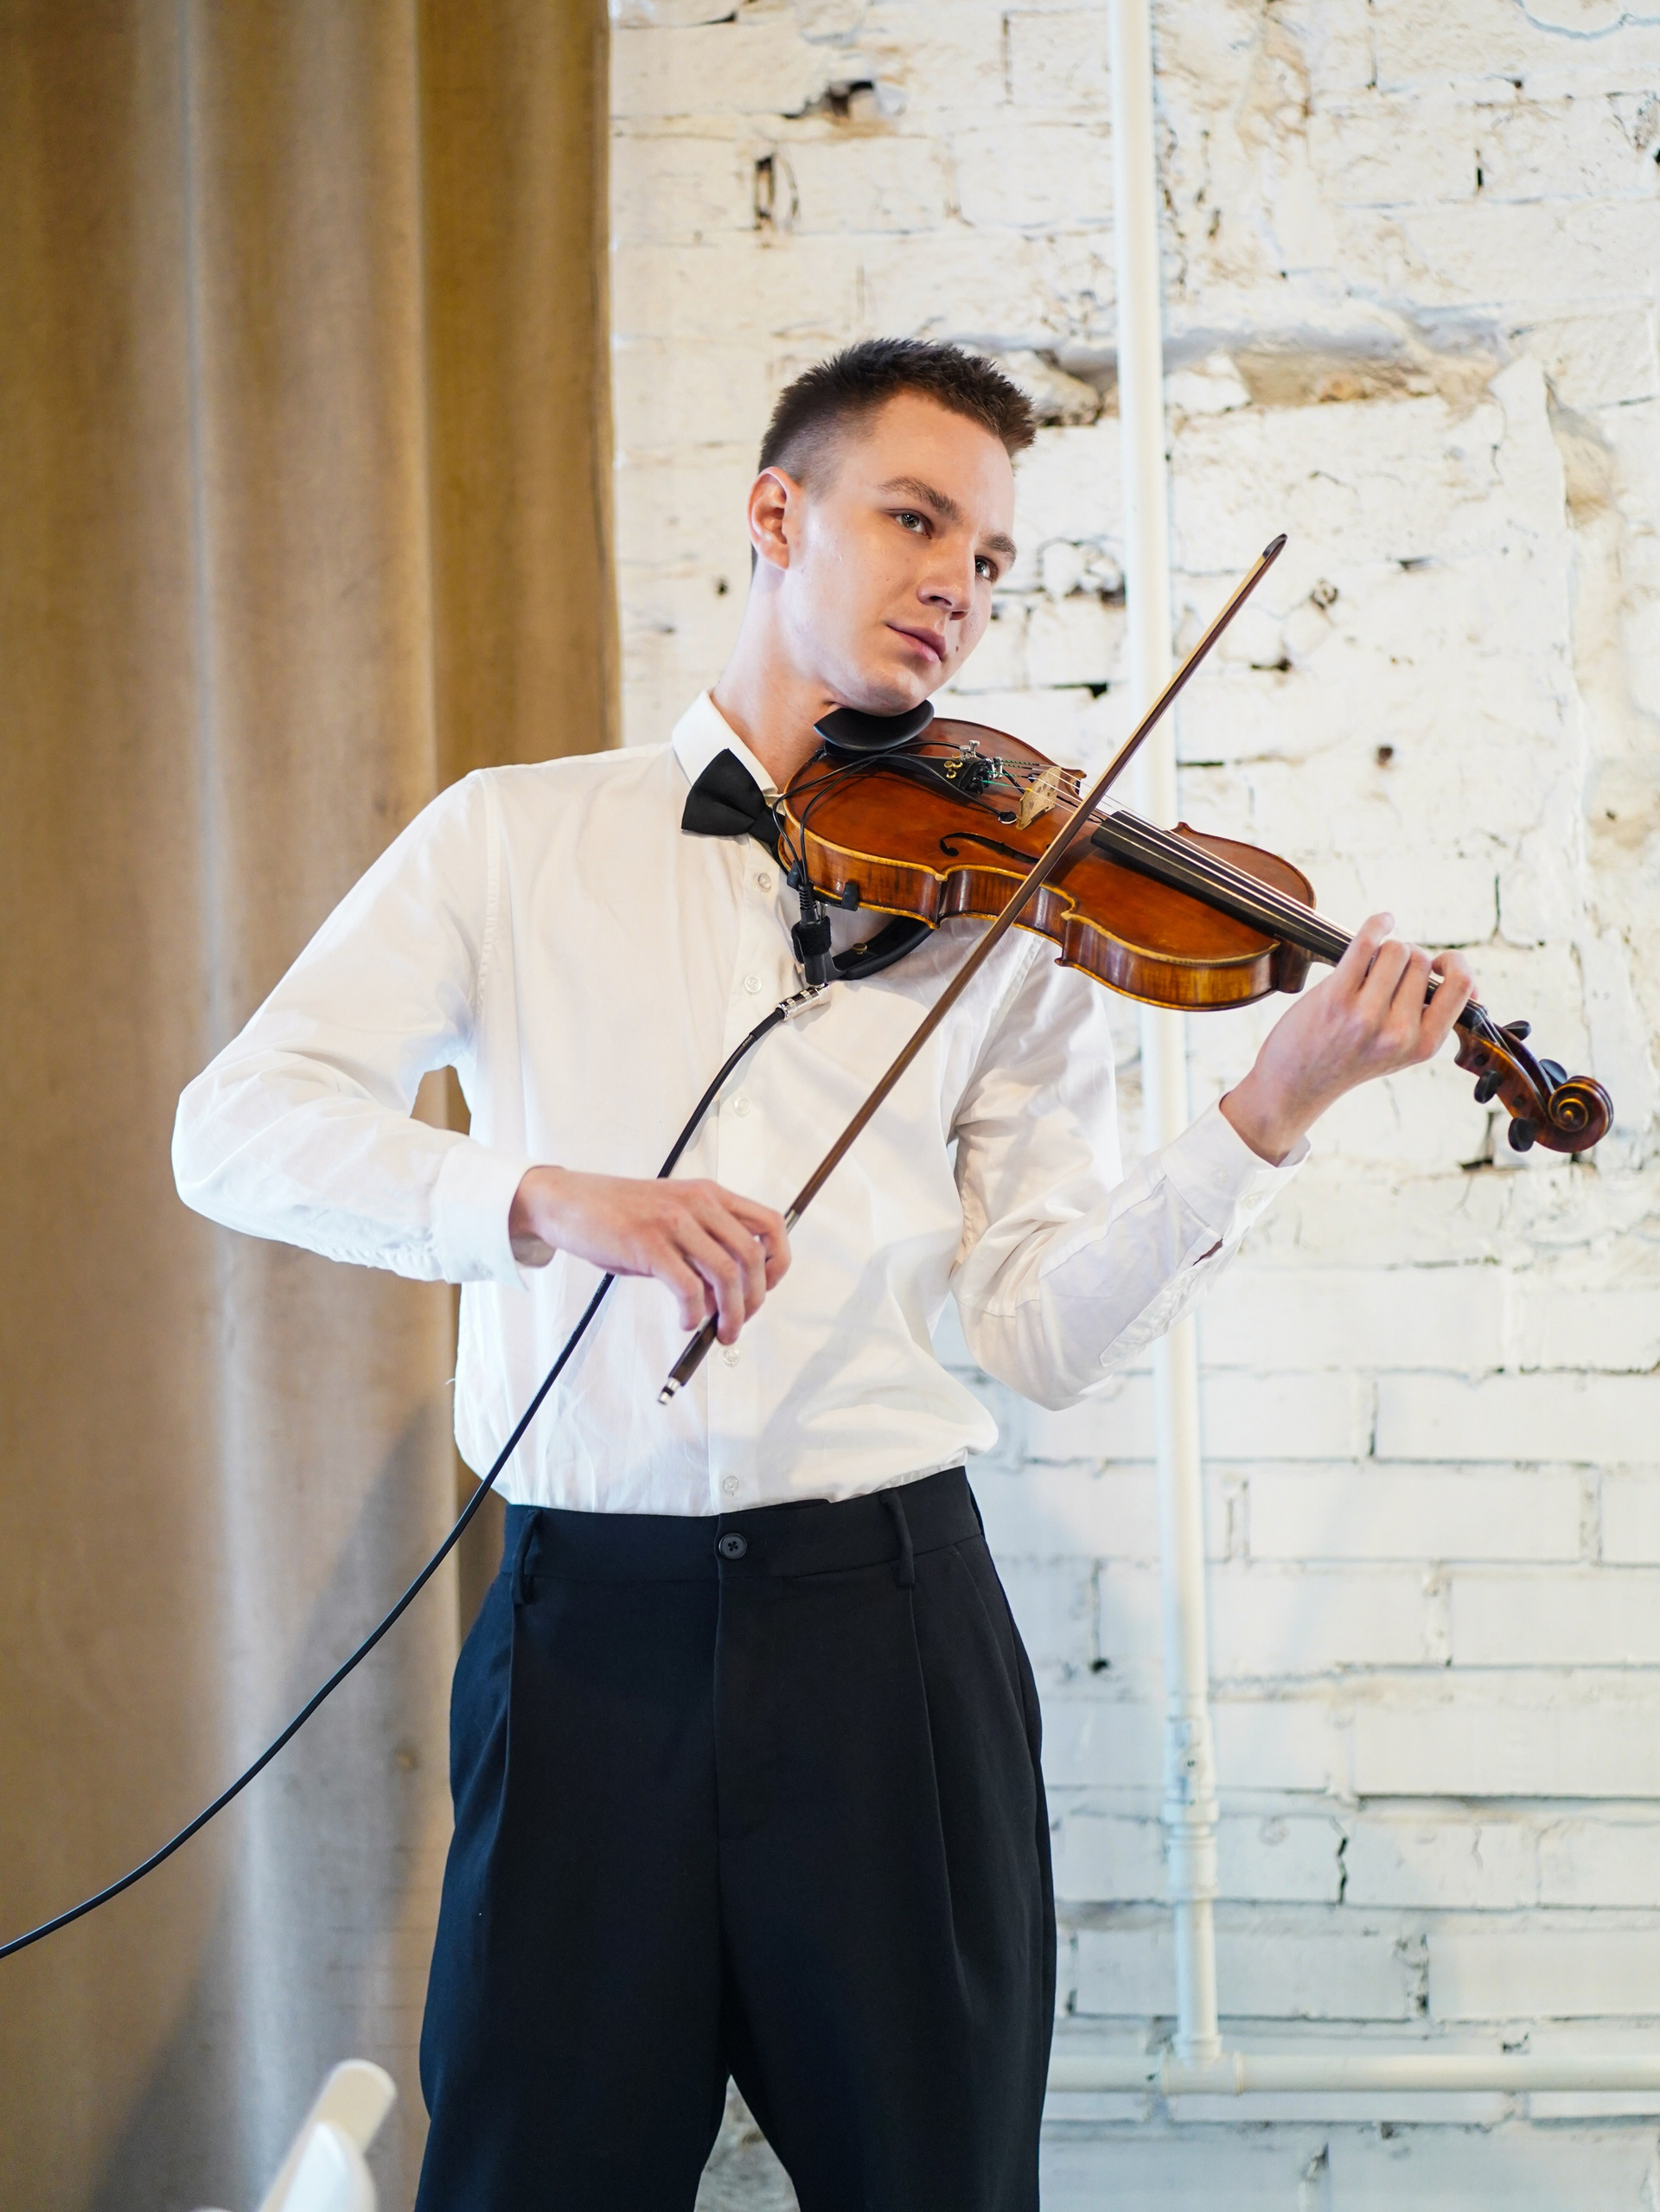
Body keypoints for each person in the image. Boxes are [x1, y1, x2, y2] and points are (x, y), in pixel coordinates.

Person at [173, 338, 1475, 2212]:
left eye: (992, 556)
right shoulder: (510, 837)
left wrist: (1271, 1108)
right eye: (917, 519)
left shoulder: (1016, 914)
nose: (960, 583)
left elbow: (1042, 1335)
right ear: (778, 515)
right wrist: (542, 1199)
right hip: (582, 1639)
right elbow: (235, 1128)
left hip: (889, 1644)